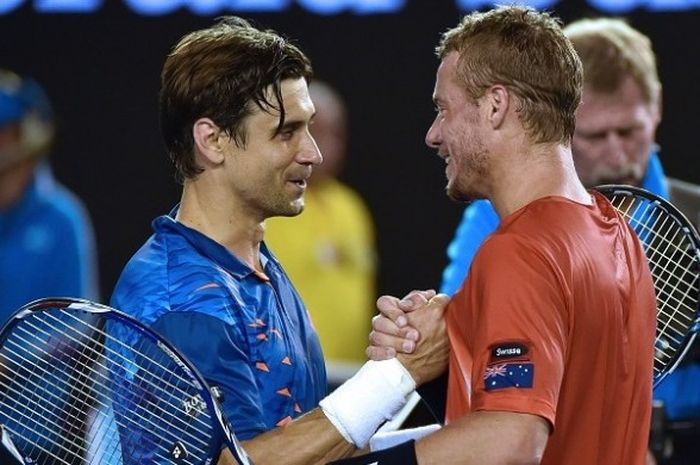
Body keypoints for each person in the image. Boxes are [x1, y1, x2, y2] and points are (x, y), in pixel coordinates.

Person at [109, 16, 447, 465]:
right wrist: (398, 376)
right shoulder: (182, 301)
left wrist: (443, 417)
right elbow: (241, 463)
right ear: (212, 140)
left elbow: (304, 443)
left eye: (308, 127)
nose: (313, 152)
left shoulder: (250, 265)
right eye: (286, 132)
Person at [331, 6, 656, 464]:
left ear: (496, 105)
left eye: (444, 109)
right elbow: (572, 414)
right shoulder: (616, 232)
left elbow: (512, 442)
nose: (433, 134)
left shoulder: (520, 251)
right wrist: (438, 364)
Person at [440, 16, 667, 297]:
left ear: (656, 106)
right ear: (553, 122)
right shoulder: (495, 212)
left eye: (629, 131)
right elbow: (455, 327)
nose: (618, 157)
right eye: (595, 136)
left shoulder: (695, 218)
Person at [265, 79, 377, 386]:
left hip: (352, 377)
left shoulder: (353, 207)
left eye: (337, 133)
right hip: (292, 377)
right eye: (317, 131)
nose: (326, 145)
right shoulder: (271, 206)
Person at [0, 69, 99, 319]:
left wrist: (12, 357)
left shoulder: (63, 217)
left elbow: (76, 323)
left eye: (3, 131)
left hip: (33, 359)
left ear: (26, 134)